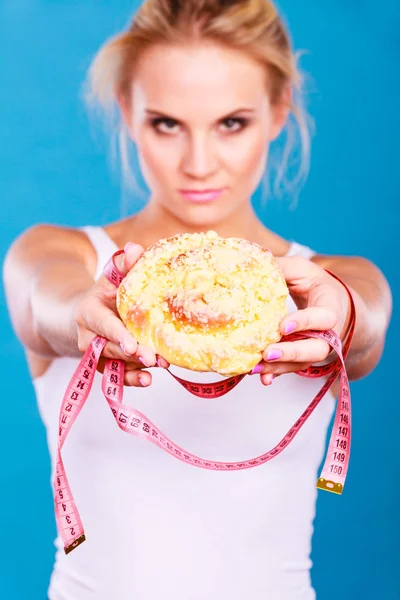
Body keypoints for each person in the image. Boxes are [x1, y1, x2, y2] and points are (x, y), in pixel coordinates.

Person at [3, 1, 392, 599]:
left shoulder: (326, 282)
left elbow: (363, 325)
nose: (200, 163)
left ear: (279, 111)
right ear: (127, 113)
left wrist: (343, 317)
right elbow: (44, 302)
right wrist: (87, 312)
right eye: (166, 124)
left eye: (231, 123)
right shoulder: (68, 256)